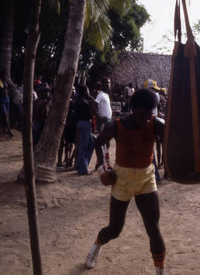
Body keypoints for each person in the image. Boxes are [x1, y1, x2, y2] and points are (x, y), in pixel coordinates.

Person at [86, 88, 166, 274]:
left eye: (150, 114)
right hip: (121, 181)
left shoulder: (156, 124)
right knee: (115, 229)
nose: (146, 118)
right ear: (132, 108)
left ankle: (160, 271)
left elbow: (173, 140)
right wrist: (102, 167)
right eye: (142, 114)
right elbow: (98, 142)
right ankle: (96, 245)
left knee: (153, 228)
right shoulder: (115, 126)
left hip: (146, 179)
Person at [73, 84, 96, 176]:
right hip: (85, 123)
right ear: (85, 92)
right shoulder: (84, 102)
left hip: (80, 123)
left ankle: (81, 166)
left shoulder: (78, 101)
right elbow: (90, 114)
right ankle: (82, 169)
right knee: (84, 146)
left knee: (91, 143)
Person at [0, 72, 14, 137]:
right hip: (1, 99)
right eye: (3, 75)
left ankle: (4, 129)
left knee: (6, 115)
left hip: (7, 99)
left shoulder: (6, 81)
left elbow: (8, 89)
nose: (4, 76)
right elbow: (1, 89)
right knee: (5, 114)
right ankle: (9, 130)